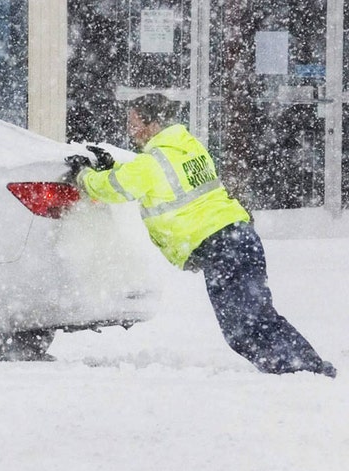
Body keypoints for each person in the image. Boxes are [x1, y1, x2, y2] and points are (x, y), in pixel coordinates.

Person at [66, 93, 336, 378]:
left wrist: (83, 175)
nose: (129, 129)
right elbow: (147, 175)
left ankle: (302, 372)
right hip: (240, 237)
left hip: (222, 248)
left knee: (243, 330)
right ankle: (306, 369)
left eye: (133, 123)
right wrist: (114, 167)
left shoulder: (153, 162)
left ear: (152, 124)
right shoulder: (188, 146)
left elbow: (115, 188)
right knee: (259, 318)